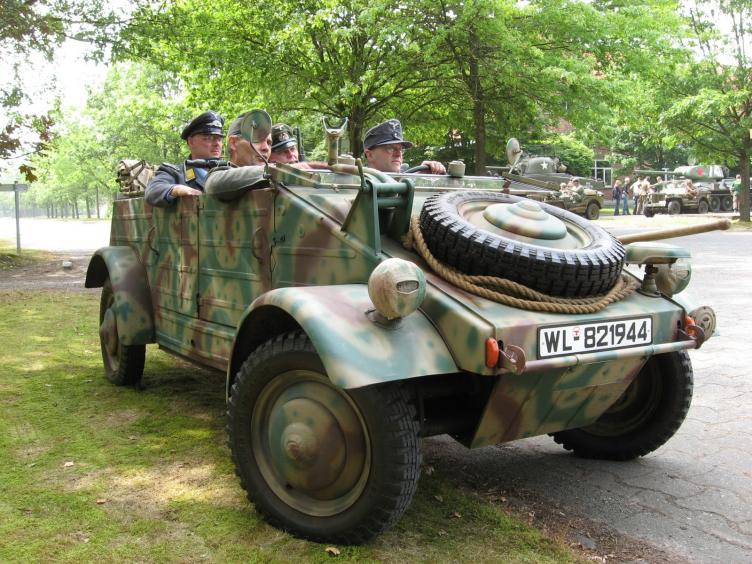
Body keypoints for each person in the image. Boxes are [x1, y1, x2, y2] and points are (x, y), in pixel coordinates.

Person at [145, 111, 224, 207]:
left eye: (219, 139)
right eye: (209, 138)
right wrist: (176, 189)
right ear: (191, 142)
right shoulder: (174, 173)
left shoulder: (228, 171)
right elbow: (153, 190)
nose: (217, 144)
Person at [363, 119, 446, 174]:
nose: (398, 154)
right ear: (370, 155)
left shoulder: (409, 179)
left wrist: (423, 176)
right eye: (390, 148)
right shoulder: (357, 185)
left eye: (400, 149)